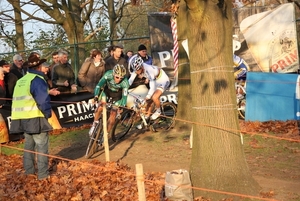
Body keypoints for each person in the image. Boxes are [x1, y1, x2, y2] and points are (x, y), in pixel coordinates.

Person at [10, 54, 60, 180]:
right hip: (35, 117)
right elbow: (42, 101)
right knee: (42, 146)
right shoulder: (37, 79)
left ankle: (29, 172)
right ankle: (43, 175)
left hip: (21, 118)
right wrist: (47, 115)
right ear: (39, 67)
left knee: (29, 146)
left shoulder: (22, 80)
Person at [89, 64, 129, 136]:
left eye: (121, 78)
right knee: (100, 107)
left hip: (117, 95)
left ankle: (106, 134)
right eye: (117, 77)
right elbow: (99, 85)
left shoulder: (125, 82)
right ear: (113, 74)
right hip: (107, 92)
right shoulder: (108, 74)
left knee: (113, 113)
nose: (119, 79)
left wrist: (122, 106)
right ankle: (94, 124)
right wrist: (96, 96)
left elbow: (125, 96)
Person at [129, 56, 170, 125]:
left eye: (138, 70)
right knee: (148, 101)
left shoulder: (148, 69)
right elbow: (131, 79)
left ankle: (158, 111)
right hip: (155, 79)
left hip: (162, 80)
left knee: (154, 97)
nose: (137, 72)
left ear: (141, 66)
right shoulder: (137, 68)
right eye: (135, 70)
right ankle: (147, 117)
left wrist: (148, 95)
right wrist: (125, 87)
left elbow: (153, 86)